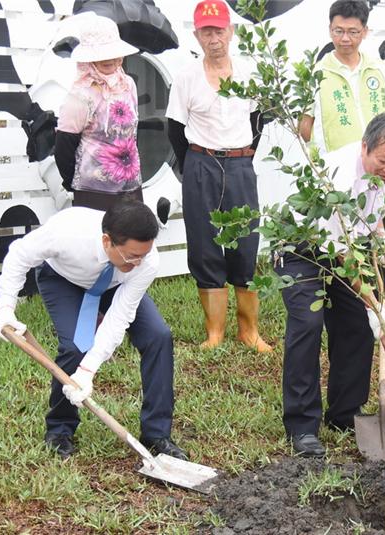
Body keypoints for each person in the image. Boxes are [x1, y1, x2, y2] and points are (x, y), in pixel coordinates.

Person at [0, 201, 187, 461]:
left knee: (158, 336)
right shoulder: (67, 231)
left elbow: (119, 316)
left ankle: (156, 433)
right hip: (64, 280)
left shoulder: (145, 261)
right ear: (107, 241)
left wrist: (88, 372)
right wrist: (6, 308)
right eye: (132, 256)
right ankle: (60, 429)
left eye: (143, 255)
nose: (138, 261)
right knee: (75, 347)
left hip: (115, 286)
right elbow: (19, 255)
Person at [277, 111, 385, 457]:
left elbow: (374, 213)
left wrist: (382, 242)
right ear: (364, 146)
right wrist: (372, 301)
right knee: (308, 323)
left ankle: (344, 413)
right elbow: (341, 253)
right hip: (301, 249)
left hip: (346, 248)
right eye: (383, 161)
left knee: (355, 327)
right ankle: (302, 425)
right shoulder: (334, 175)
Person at [165, 0, 270, 352]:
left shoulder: (250, 74)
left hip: (241, 164)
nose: (214, 38)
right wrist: (194, 164)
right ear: (196, 35)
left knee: (245, 242)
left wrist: (242, 153)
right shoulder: (186, 78)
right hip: (200, 163)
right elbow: (175, 129)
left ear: (232, 31)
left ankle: (249, 330)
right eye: (206, 31)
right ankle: (215, 332)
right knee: (204, 243)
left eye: (219, 30)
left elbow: (259, 120)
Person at [55, 15, 143, 211]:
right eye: (102, 53)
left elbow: (132, 134)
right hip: (93, 191)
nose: (109, 59)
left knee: (132, 240)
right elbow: (64, 146)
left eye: (113, 52)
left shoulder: (128, 84)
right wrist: (76, 181)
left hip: (130, 186)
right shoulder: (80, 94)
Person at [298, 0, 385, 153]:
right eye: (338, 31)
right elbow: (304, 126)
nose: (345, 38)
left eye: (353, 32)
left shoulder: (379, 69)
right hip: (333, 168)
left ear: (364, 32)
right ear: (330, 30)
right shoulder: (315, 74)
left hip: (375, 163)